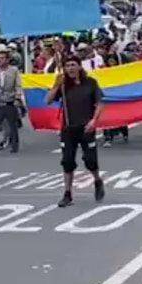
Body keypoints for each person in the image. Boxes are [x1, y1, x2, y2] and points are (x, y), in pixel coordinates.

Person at [46, 55, 105, 207]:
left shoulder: (90, 83)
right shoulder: (63, 85)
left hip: (86, 128)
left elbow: (99, 103)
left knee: (90, 160)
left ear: (79, 66)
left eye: (73, 65)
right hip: (68, 129)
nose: (70, 68)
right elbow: (48, 100)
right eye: (67, 65)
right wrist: (56, 86)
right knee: (67, 161)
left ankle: (97, 181)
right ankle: (67, 193)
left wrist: (94, 121)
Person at [0, 46, 23, 155]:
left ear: (7, 59)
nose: (0, 60)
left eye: (2, 58)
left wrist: (17, 98)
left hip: (10, 101)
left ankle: (14, 145)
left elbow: (18, 85)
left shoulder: (14, 70)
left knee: (12, 125)